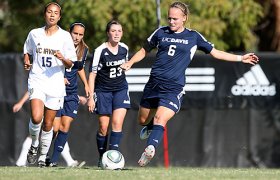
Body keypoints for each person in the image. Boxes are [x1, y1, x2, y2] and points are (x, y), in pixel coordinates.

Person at [120, 1, 259, 167]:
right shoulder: (160, 32)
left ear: (184, 18)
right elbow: (144, 50)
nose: (171, 22)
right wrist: (130, 63)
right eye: (169, 18)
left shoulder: (194, 36)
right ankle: (149, 127)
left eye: (175, 19)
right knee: (142, 120)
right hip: (153, 84)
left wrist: (240, 58)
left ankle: (149, 149)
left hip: (173, 88)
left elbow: (215, 53)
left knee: (159, 119)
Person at [23, 2, 77, 167]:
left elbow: (71, 64)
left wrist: (63, 58)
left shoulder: (65, 36)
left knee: (48, 124)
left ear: (59, 17)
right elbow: (27, 50)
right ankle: (34, 145)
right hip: (37, 80)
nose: (52, 15)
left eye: (56, 13)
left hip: (55, 85)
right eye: (49, 12)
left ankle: (42, 157)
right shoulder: (34, 34)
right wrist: (26, 60)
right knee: (36, 117)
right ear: (45, 14)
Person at [87, 20, 131, 167]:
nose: (117, 33)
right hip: (103, 91)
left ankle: (113, 159)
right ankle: (102, 158)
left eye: (119, 30)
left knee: (117, 123)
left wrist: (126, 67)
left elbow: (125, 65)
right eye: (113, 31)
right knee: (103, 127)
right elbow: (92, 75)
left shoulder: (124, 48)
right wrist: (90, 97)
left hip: (120, 89)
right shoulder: (100, 51)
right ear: (108, 33)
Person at [48, 22, 90, 167]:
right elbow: (50, 65)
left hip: (72, 93)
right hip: (56, 91)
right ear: (69, 32)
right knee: (54, 128)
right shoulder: (59, 44)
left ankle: (52, 160)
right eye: (75, 33)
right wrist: (60, 78)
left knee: (65, 126)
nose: (77, 37)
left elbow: (79, 68)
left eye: (80, 34)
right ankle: (41, 152)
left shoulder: (84, 49)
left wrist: (86, 84)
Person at [12, 91, 84, 167]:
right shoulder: (42, 81)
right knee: (34, 135)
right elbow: (32, 89)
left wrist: (76, 97)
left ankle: (69, 161)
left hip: (53, 104)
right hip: (44, 105)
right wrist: (20, 103)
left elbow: (60, 90)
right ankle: (21, 161)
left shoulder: (57, 81)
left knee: (58, 133)